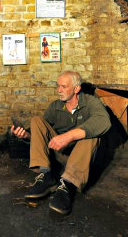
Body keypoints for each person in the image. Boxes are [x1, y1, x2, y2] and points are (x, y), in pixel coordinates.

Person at [11, 71, 111, 215]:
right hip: (59, 155)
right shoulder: (55, 106)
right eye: (58, 86)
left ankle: (68, 185)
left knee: (92, 134)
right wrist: (26, 135)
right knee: (36, 121)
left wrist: (69, 136)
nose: (59, 90)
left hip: (80, 160)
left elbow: (104, 122)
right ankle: (46, 175)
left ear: (76, 89)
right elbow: (41, 135)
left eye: (63, 87)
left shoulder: (90, 102)